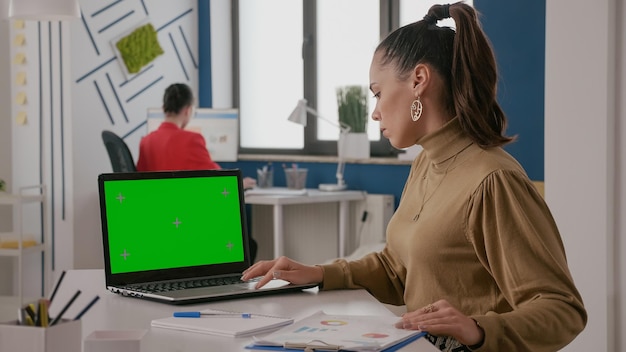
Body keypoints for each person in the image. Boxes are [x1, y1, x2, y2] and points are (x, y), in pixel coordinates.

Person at [242, 3, 586, 351]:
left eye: (377, 92)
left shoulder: (493, 180)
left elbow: (563, 310)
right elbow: (398, 268)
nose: (375, 112)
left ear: (418, 80)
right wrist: (320, 273)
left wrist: (478, 328)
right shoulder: (425, 163)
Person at [137, 82, 258, 260]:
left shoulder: (146, 142)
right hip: (189, 223)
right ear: (187, 110)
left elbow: (139, 183)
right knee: (248, 241)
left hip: (160, 225)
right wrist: (242, 182)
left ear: (164, 108)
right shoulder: (191, 139)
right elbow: (220, 179)